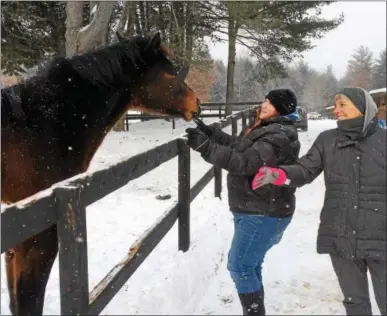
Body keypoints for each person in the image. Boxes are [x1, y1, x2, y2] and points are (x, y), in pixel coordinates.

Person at [252, 87, 386, 316]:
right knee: (355, 304)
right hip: (341, 234)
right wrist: (280, 174)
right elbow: (305, 169)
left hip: (381, 235)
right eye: (336, 105)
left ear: (363, 107)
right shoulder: (328, 140)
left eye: (342, 104)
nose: (337, 110)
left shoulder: (383, 141)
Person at [185, 89, 300, 315]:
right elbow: (240, 146)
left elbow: (245, 162)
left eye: (268, 102)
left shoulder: (276, 137)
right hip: (257, 208)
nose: (262, 105)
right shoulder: (270, 130)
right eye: (264, 100)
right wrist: (209, 133)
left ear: (281, 108)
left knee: (239, 267)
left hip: (262, 212)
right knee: (250, 265)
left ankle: (254, 312)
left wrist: (205, 147)